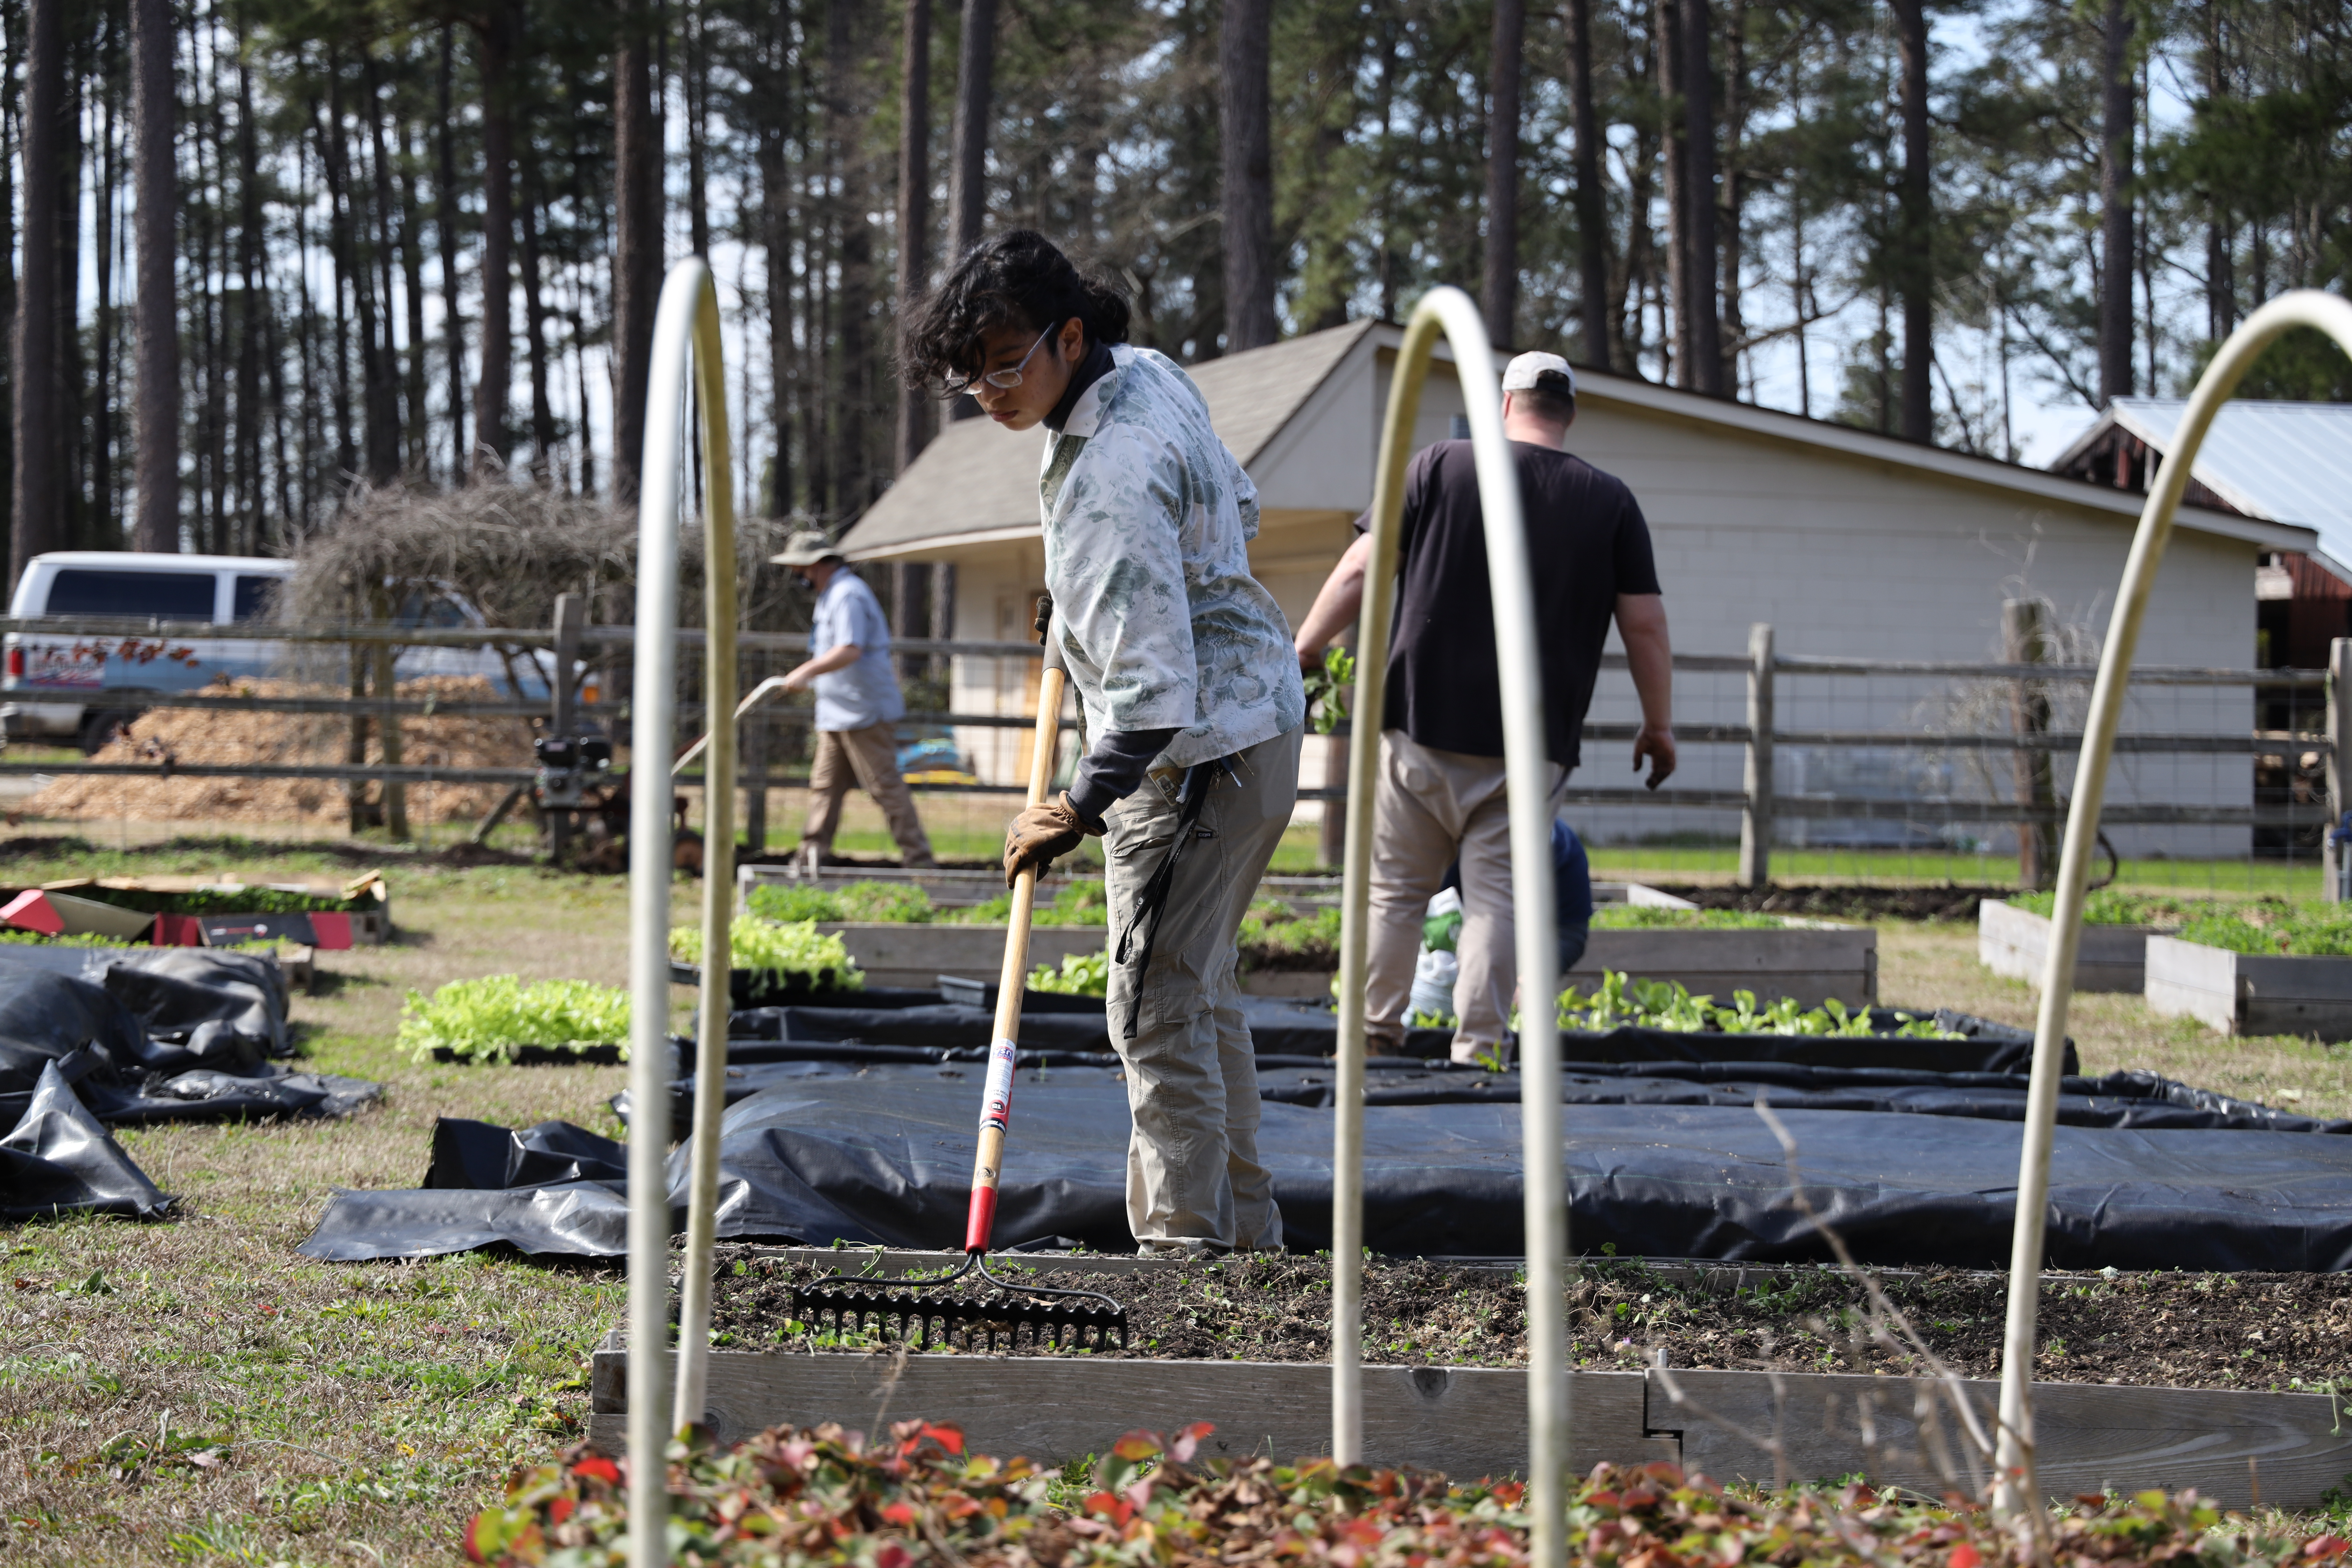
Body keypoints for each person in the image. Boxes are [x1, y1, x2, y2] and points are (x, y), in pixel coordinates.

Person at [899, 229, 1306, 1258]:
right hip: (1257, 713)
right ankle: (1246, 1236)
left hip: (1198, 753)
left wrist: (1074, 808)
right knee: (1199, 984)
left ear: (1068, 336)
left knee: (1154, 998)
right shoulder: (1146, 376)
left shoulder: (1108, 481)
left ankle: (1181, 1249)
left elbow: (1153, 696)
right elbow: (1232, 507)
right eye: (968, 373)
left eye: (1004, 364)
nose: (987, 391)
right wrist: (1084, 609)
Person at [1293, 351, 1674, 1063]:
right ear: (1568, 414)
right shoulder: (1610, 500)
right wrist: (1659, 725)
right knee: (1498, 901)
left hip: (1420, 725)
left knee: (1396, 892)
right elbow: (1646, 624)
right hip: (1531, 745)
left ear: (1505, 404)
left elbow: (1360, 566)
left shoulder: (1440, 466)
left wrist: (1307, 645)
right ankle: (1480, 1049)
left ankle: (1373, 1033)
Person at [774, 531, 938, 870]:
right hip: (836, 713)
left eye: (799, 569)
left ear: (816, 565)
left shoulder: (848, 594)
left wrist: (807, 671)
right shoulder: (831, 595)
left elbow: (850, 648)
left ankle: (922, 865)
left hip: (864, 712)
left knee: (885, 789)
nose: (798, 577)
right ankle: (810, 860)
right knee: (824, 788)